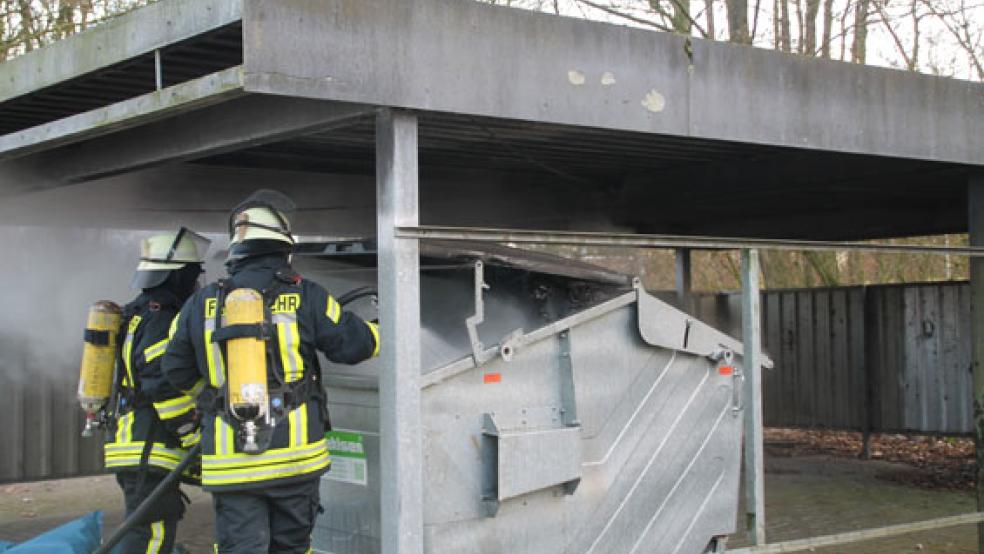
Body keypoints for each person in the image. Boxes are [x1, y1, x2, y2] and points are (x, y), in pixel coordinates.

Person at [162, 189, 379, 553]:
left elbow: (175, 367)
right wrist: (380, 332)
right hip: (296, 462)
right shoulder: (307, 295)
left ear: (237, 250)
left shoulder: (199, 304)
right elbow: (351, 345)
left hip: (231, 465)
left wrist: (215, 400)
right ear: (283, 248)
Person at [104, 227, 210, 554]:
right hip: (150, 446)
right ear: (176, 276)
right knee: (149, 537)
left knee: (143, 531)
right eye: (192, 275)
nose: (196, 283)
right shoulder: (163, 319)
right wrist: (195, 437)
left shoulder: (136, 312)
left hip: (134, 443)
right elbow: (163, 385)